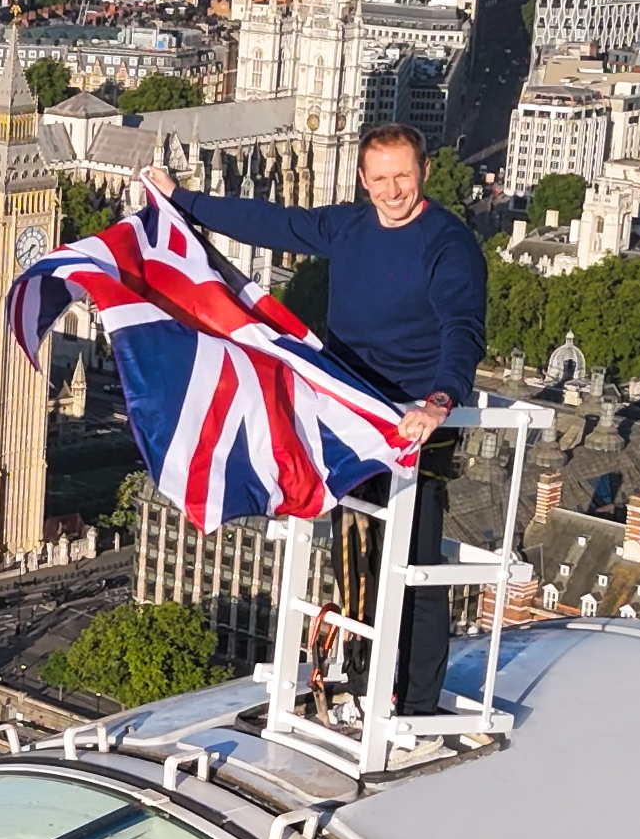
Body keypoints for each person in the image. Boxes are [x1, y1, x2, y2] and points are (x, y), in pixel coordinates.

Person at [141, 124, 486, 720]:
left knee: (412, 560)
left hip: (412, 421)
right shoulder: (351, 226)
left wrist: (439, 399)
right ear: (363, 180)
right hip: (349, 411)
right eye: (380, 179)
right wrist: (183, 200)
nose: (393, 190)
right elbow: (274, 222)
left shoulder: (448, 245)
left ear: (424, 171)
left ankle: (416, 702)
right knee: (351, 553)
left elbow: (462, 327)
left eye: (402, 175)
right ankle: (361, 678)